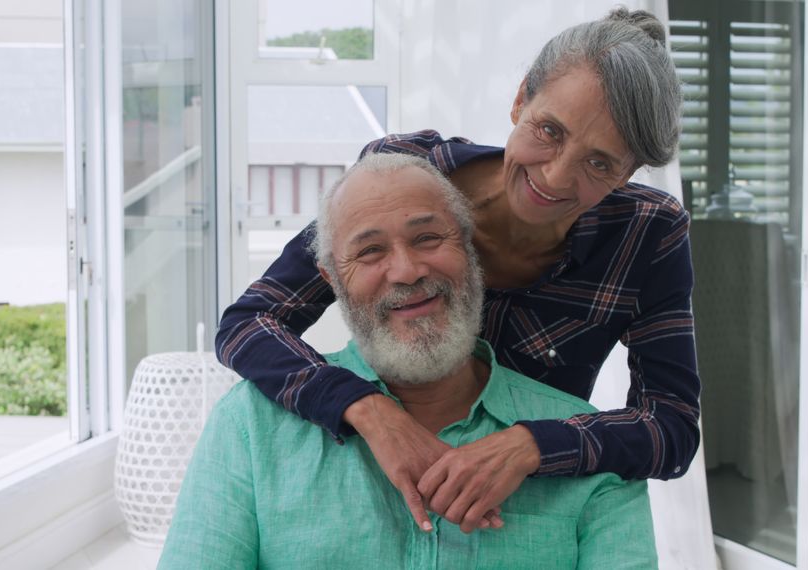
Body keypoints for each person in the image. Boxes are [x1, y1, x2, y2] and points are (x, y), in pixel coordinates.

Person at [216, 8, 699, 533]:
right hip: (372, 475)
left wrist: (533, 443)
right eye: (549, 130)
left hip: (520, 510)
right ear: (520, 100)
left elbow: (672, 427)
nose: (556, 177)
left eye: (600, 163)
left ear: (628, 173)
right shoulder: (406, 174)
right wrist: (367, 409)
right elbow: (249, 322)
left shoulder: (648, 233)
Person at [160, 153, 657, 569]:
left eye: (427, 238)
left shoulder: (592, 453)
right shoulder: (249, 426)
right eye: (370, 251)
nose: (406, 270)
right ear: (333, 281)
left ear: (470, 252)